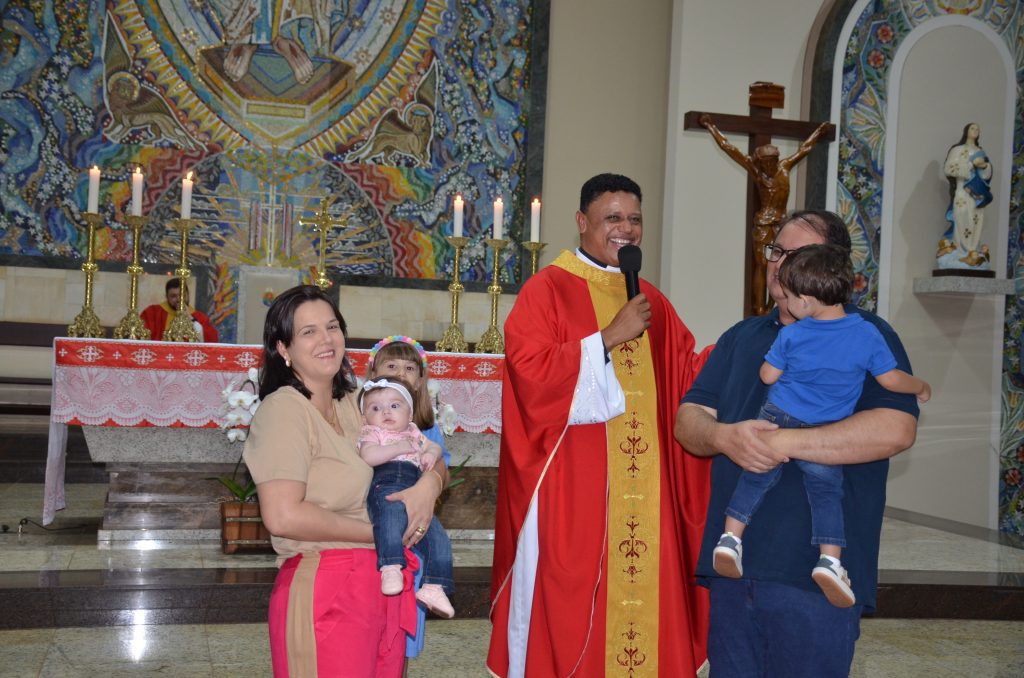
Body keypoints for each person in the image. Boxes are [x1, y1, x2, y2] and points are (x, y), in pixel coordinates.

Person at [676, 210, 921, 676]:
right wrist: (724, 436)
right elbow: (689, 420)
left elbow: (895, 429)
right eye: (777, 251)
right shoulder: (742, 336)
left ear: (832, 268)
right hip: (732, 571)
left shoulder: (866, 334)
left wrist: (782, 441)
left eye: (797, 254)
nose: (778, 263)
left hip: (814, 578)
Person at [488, 173, 713, 677]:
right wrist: (609, 336)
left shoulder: (651, 299)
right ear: (582, 222)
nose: (626, 230)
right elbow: (530, 373)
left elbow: (687, 377)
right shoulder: (546, 290)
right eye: (613, 218)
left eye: (634, 220)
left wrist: (746, 348)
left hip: (646, 496)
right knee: (570, 609)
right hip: (574, 487)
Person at [711, 243, 931, 610]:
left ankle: (731, 539)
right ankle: (830, 561)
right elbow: (892, 380)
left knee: (754, 478)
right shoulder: (866, 334)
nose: (787, 301)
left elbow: (768, 374)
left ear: (808, 299)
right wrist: (921, 386)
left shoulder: (794, 333)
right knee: (827, 495)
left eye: (792, 295)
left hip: (777, 418)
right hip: (823, 428)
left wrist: (777, 365)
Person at [242, 285, 444, 677]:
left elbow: (427, 450)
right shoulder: (283, 410)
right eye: (309, 332)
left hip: (383, 583)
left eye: (332, 326)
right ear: (283, 349)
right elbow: (283, 516)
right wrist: (381, 534)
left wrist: (429, 486)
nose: (326, 339)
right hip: (326, 588)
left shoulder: (358, 403)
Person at [364, 334, 454, 661]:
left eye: (410, 367)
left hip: (414, 528)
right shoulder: (366, 421)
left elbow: (442, 468)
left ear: (420, 380)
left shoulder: (425, 427)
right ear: (373, 371)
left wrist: (430, 483)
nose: (401, 372)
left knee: (403, 629)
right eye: (391, 365)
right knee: (371, 628)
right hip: (375, 526)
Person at [699, 114, 831, 314]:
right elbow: (730, 148)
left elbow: (804, 149)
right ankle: (760, 307)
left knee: (786, 264)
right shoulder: (756, 171)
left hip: (782, 224)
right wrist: (711, 126)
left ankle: (774, 305)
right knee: (765, 266)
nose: (768, 165)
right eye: (765, 162)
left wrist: (818, 132)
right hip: (763, 225)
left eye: (771, 161)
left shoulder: (784, 168)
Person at [358, 378, 455, 618]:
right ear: (364, 417)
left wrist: (431, 456)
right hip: (386, 483)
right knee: (389, 519)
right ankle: (391, 566)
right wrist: (397, 448)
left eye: (394, 406)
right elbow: (368, 456)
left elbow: (434, 448)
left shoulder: (414, 433)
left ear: (409, 413)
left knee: (437, 536)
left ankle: (434, 586)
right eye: (375, 408)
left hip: (416, 488)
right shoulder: (372, 432)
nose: (385, 412)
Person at [939, 122, 992, 268]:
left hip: (977, 195)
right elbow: (949, 168)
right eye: (972, 128)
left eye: (978, 129)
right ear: (966, 131)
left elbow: (986, 175)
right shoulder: (958, 150)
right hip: (962, 191)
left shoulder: (981, 152)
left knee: (976, 220)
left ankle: (972, 251)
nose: (975, 131)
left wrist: (985, 166)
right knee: (961, 216)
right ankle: (960, 251)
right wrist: (970, 165)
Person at [140, 277, 218, 342]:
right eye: (173, 296)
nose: (179, 299)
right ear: (166, 297)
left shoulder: (200, 318)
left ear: (188, 294)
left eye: (182, 295)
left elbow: (211, 341)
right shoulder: (152, 313)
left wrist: (191, 318)